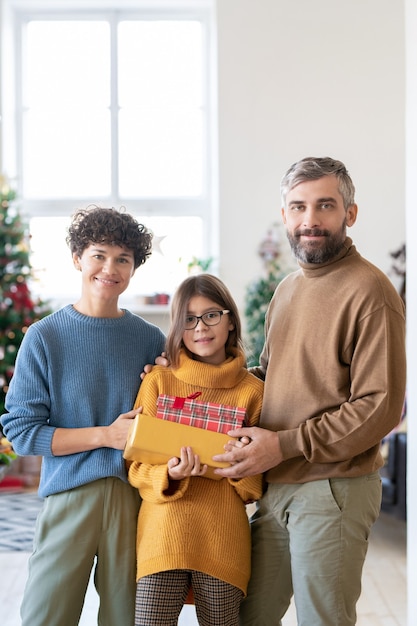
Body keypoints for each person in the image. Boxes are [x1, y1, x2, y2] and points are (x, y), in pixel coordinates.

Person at [211, 157, 407, 625]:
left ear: (350, 214)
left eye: (325, 206)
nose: (310, 220)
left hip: (333, 488)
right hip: (276, 484)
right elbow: (268, 377)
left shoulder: (371, 292)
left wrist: (283, 444)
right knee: (249, 616)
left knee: (322, 619)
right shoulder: (287, 289)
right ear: (285, 215)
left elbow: (380, 406)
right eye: (298, 207)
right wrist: (193, 376)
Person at [1, 207, 166, 626]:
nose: (109, 268)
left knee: (126, 618)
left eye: (123, 259)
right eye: (99, 254)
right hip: (70, 495)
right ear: (78, 258)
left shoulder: (149, 340)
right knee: (45, 616)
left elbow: (165, 416)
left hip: (134, 499)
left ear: (134, 268)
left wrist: (166, 382)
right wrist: (105, 437)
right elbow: (22, 434)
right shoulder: (44, 337)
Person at [128, 274, 264, 626]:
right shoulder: (158, 380)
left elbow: (255, 487)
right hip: (162, 538)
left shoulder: (253, 393)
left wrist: (221, 468)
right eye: (189, 319)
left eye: (211, 315)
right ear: (178, 327)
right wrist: (170, 474)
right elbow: (135, 468)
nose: (201, 328)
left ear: (230, 319)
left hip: (224, 541)